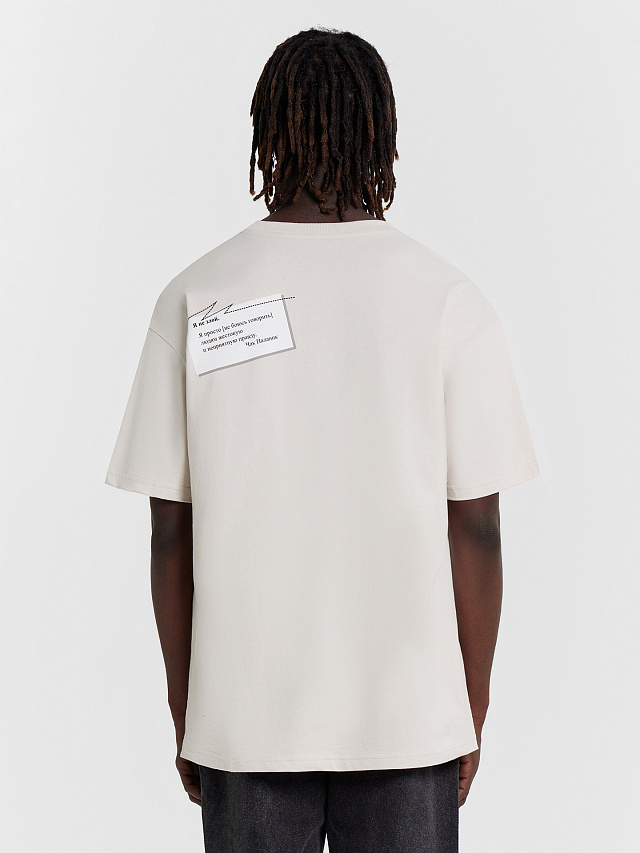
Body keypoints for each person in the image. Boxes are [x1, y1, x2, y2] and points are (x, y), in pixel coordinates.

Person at [105, 26, 540, 853]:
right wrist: (469, 705)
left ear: (269, 131)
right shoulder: (449, 300)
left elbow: (169, 531)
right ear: (383, 133)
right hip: (411, 717)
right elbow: (478, 526)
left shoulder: (196, 294)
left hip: (245, 717)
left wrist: (188, 706)